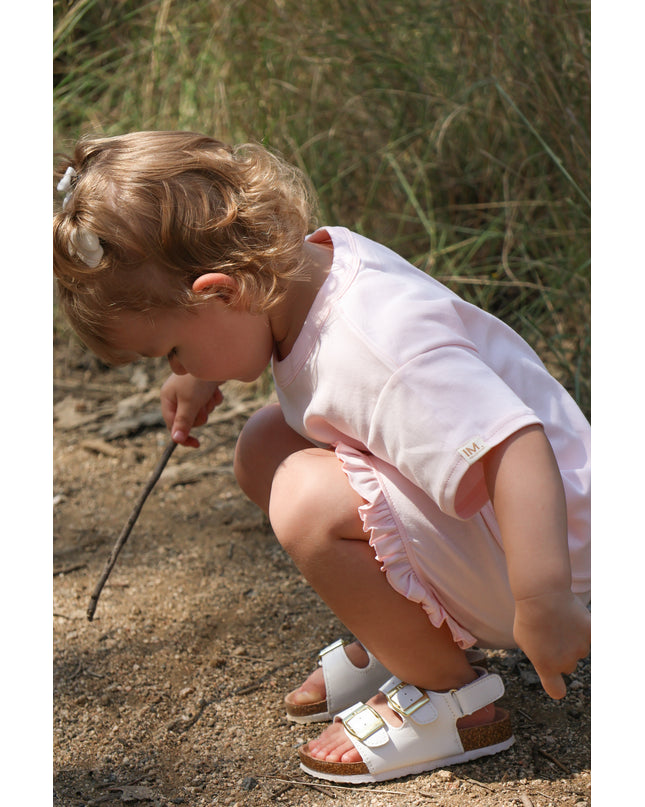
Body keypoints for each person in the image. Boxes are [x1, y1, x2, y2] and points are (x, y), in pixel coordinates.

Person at [53, 130, 591, 785]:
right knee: (264, 446)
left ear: (220, 293)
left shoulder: (374, 344)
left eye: (170, 350)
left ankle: (450, 696)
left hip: (552, 554)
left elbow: (515, 444)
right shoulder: (305, 271)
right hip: (503, 531)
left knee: (304, 500)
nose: (174, 367)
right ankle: (411, 633)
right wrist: (204, 373)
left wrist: (543, 600)